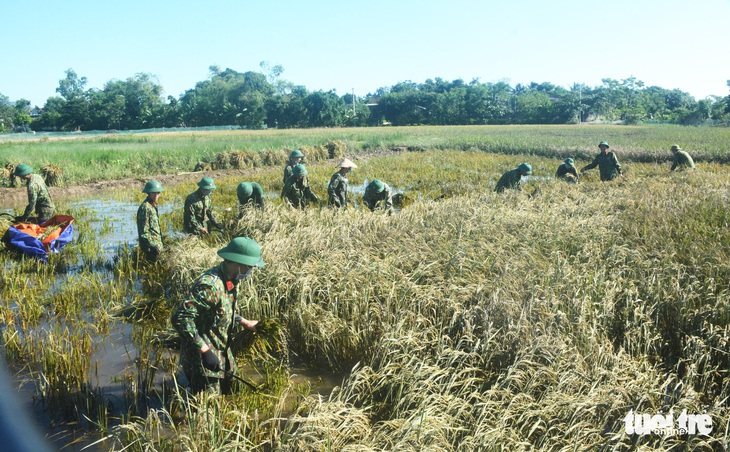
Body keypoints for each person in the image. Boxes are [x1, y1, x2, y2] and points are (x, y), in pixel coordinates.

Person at [171, 237, 264, 394]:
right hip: (202, 362)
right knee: (208, 409)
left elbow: (222, 310)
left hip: (223, 352)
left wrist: (244, 322)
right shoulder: (211, 285)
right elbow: (181, 317)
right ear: (238, 262)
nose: (250, 271)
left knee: (233, 392)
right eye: (249, 267)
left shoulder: (231, 281)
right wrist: (205, 351)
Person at [137, 180, 164, 263]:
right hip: (150, 248)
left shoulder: (152, 205)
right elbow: (144, 232)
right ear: (148, 193)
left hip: (156, 245)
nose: (156, 195)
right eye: (153, 193)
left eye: (158, 193)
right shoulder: (145, 208)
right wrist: (153, 246)